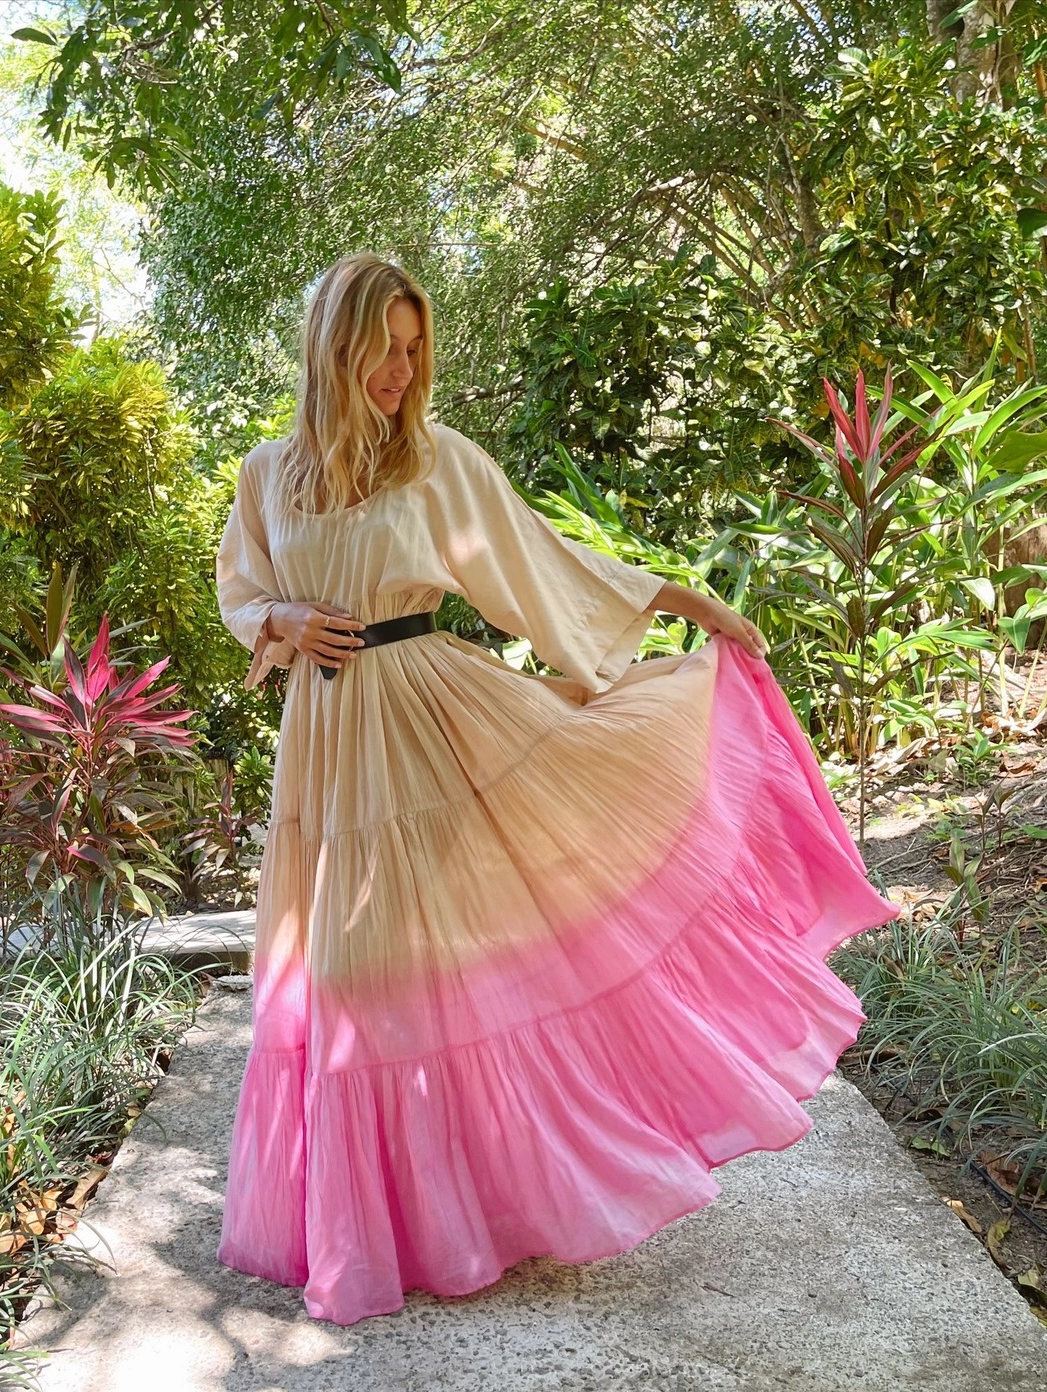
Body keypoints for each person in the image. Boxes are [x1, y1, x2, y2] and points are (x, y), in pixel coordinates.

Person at [215, 251, 901, 1327]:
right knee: (343, 976)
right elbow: (241, 590)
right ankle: (363, 1231)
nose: (401, 372)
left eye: (414, 351)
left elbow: (544, 565)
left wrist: (690, 604)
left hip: (433, 720)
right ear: (334, 348)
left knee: (435, 966)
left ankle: (467, 1207)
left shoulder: (435, 461)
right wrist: (281, 621)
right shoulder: (267, 475)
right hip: (328, 737)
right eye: (384, 350)